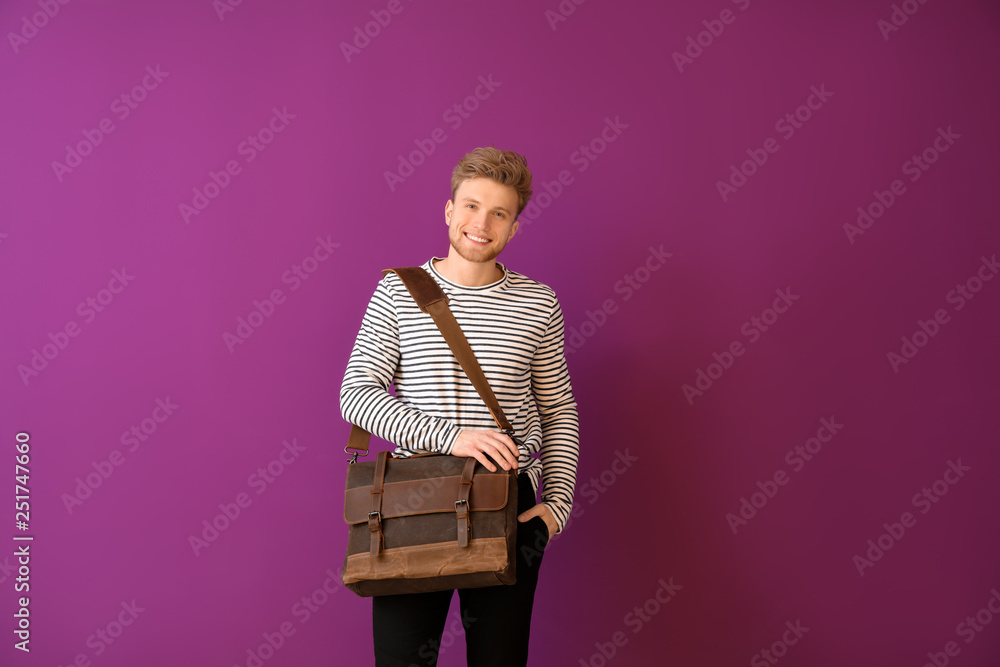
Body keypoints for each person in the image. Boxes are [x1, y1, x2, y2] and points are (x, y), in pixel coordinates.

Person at [340, 146, 580, 666]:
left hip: (508, 506)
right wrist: (452, 438)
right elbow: (356, 394)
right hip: (415, 502)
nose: (481, 222)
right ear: (449, 210)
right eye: (471, 206)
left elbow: (559, 408)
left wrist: (555, 509)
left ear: (514, 228)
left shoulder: (540, 302)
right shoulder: (398, 291)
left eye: (499, 212)